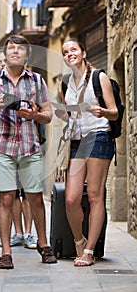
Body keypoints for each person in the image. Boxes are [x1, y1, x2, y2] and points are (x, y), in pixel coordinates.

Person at [0, 35, 57, 269]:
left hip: (30, 146)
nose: (15, 52)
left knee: (35, 197)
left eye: (20, 49)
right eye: (11, 48)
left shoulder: (37, 81)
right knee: (6, 198)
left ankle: (43, 245)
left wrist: (35, 116)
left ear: (26, 55)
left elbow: (48, 114)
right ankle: (6, 252)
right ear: (5, 53)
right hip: (2, 146)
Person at [55, 38, 118, 266]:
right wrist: (62, 113)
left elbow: (114, 113)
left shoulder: (99, 77)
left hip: (99, 136)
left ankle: (90, 250)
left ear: (83, 53)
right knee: (71, 198)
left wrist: (101, 111)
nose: (69, 54)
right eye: (65, 51)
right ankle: (79, 243)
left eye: (73, 50)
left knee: (94, 195)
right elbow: (69, 114)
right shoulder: (65, 83)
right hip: (77, 141)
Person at [0, 49, 37, 250]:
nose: (3, 65)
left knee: (28, 192)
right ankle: (18, 232)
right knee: (10, 194)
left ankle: (29, 233)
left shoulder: (28, 83)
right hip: (4, 147)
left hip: (28, 145)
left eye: (5, 61)